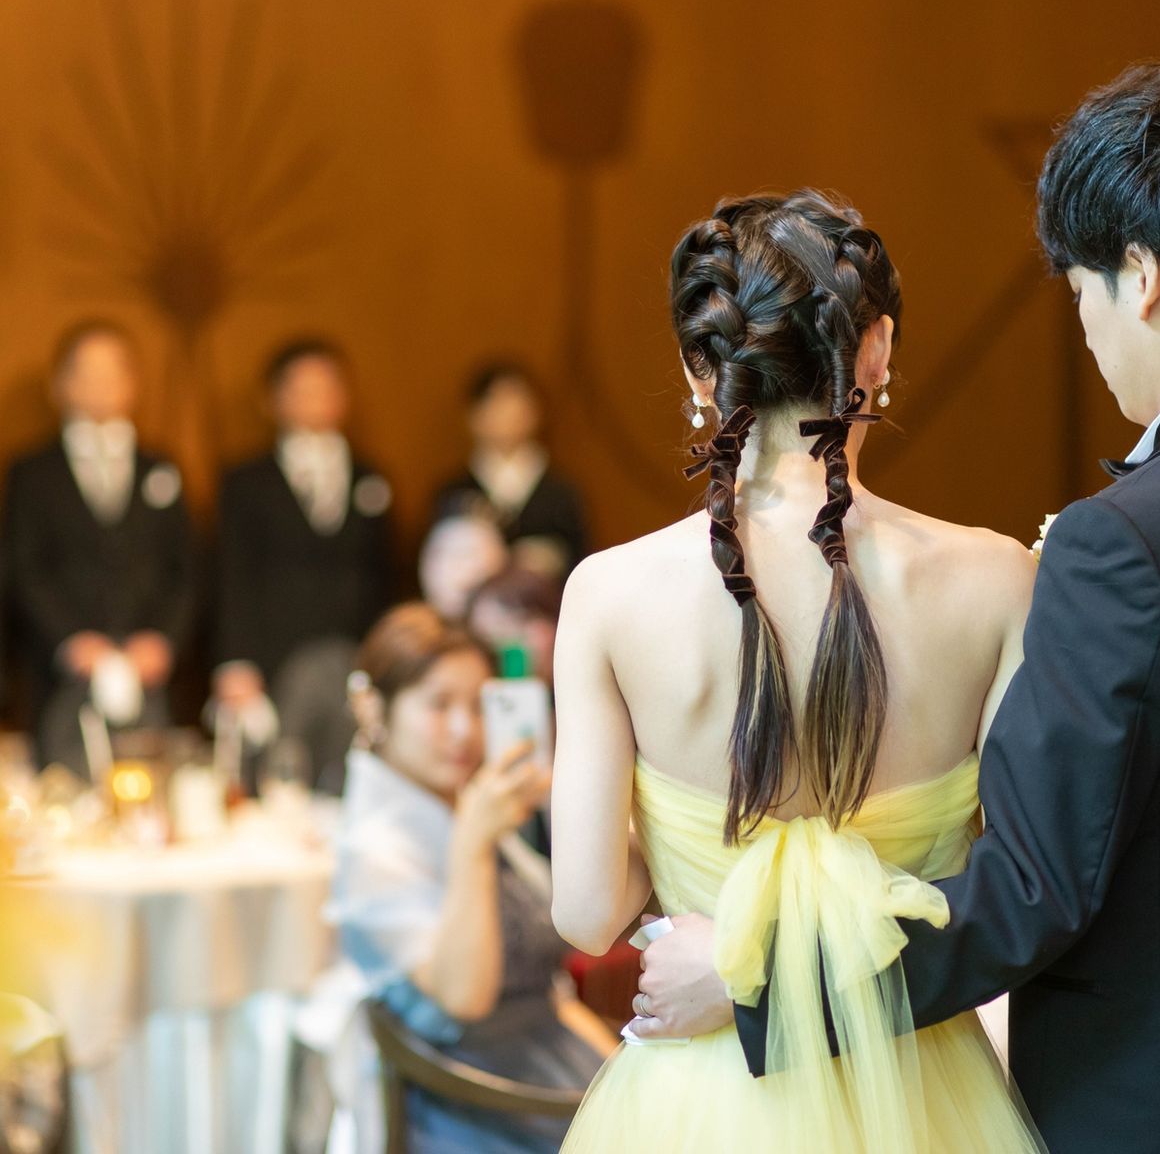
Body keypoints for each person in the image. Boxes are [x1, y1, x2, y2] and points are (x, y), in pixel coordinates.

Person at [628, 66, 1160, 1154]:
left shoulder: (1117, 541)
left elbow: (1038, 885)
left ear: (1139, 277)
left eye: (1078, 292)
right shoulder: (1006, 573)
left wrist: (755, 981)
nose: (1086, 330)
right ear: (873, 354)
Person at [550, 192, 1043, 1150]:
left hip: (699, 1096)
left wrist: (681, 844)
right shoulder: (997, 580)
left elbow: (586, 911)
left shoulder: (608, 594)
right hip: (925, 1087)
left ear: (700, 368)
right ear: (878, 350)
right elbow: (1022, 883)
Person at [314, 602, 611, 1154]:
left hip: (554, 1063)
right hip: (477, 1100)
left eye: (478, 706)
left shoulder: (464, 807)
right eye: (439, 704)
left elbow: (551, 984)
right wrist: (472, 843)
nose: (464, 730)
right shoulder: (374, 848)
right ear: (375, 708)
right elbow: (464, 998)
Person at [3, 322, 195, 774]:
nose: (101, 384)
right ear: (60, 385)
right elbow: (24, 566)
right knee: (64, 786)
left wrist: (162, 639)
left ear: (133, 382)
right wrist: (72, 640)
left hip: (150, 671)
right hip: (60, 674)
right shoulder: (32, 473)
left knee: (148, 779)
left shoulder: (161, 468)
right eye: (87, 373)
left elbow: (186, 567)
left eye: (113, 372)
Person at [213, 339, 397, 791]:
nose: (315, 399)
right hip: (274, 657)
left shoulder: (371, 478)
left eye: (327, 387)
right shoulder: (246, 482)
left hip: (354, 657)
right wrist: (236, 662)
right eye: (301, 388)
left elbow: (385, 574)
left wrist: (386, 660)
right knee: (278, 774)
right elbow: (231, 576)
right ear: (273, 399)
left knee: (352, 772)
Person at [433, 362, 588, 579]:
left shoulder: (560, 492)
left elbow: (581, 562)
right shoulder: (453, 492)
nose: (509, 413)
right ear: (474, 416)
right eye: (496, 402)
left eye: (518, 400)